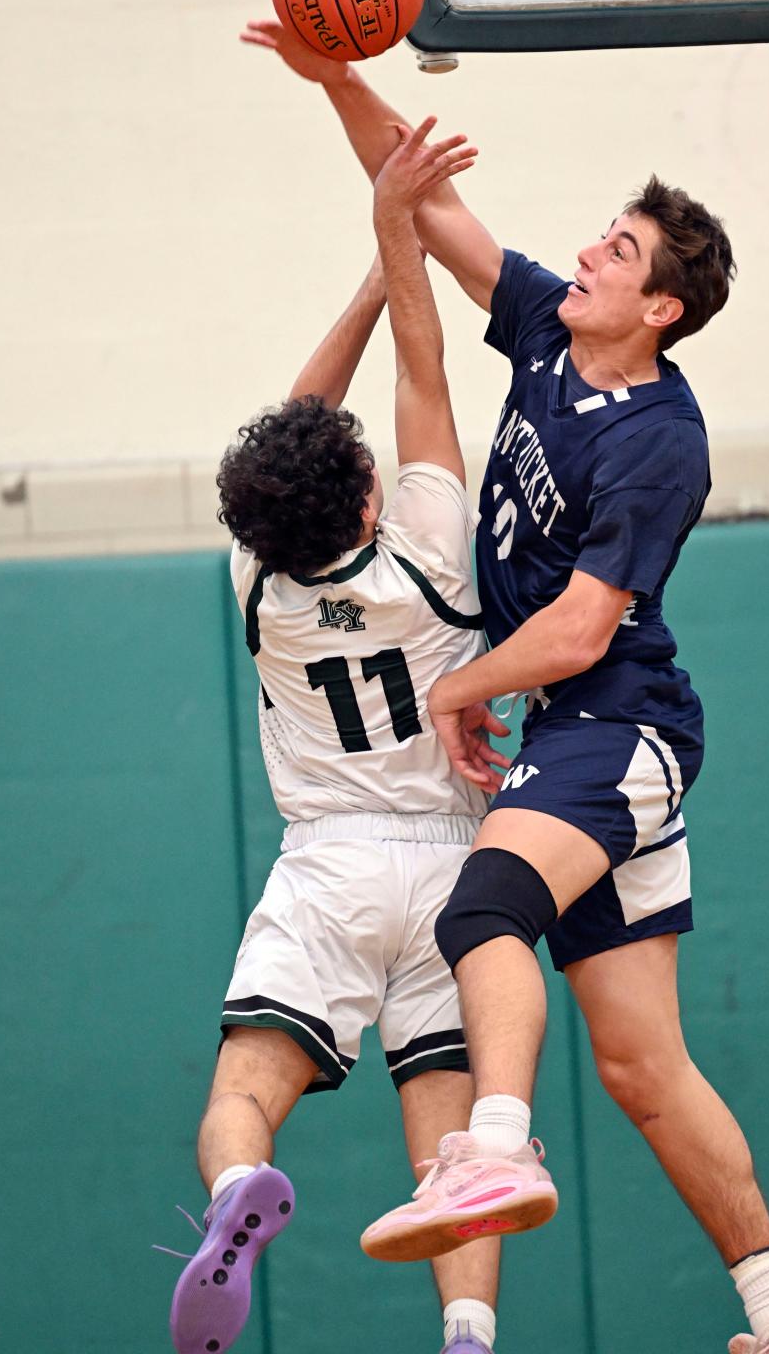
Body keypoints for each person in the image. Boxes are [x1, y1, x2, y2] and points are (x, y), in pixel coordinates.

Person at [239, 21, 769, 1354]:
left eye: (620, 252)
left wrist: (462, 689)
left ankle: (496, 1154)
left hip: (613, 726)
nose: (588, 252)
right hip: (572, 734)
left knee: (481, 914)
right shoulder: (547, 338)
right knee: (643, 1066)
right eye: (600, 237)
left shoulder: (660, 441)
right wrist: (338, 79)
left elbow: (582, 630)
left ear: (665, 311)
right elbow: (429, 201)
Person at [160, 119, 512, 1354]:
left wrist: (369, 266)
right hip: (461, 860)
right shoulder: (427, 554)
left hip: (333, 860)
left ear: (263, 523)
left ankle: (231, 1197)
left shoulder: (258, 592)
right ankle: (466, 1331)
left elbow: (293, 429)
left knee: (244, 1089)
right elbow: (426, 369)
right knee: (458, 1137)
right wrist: (400, 251)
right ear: (367, 493)